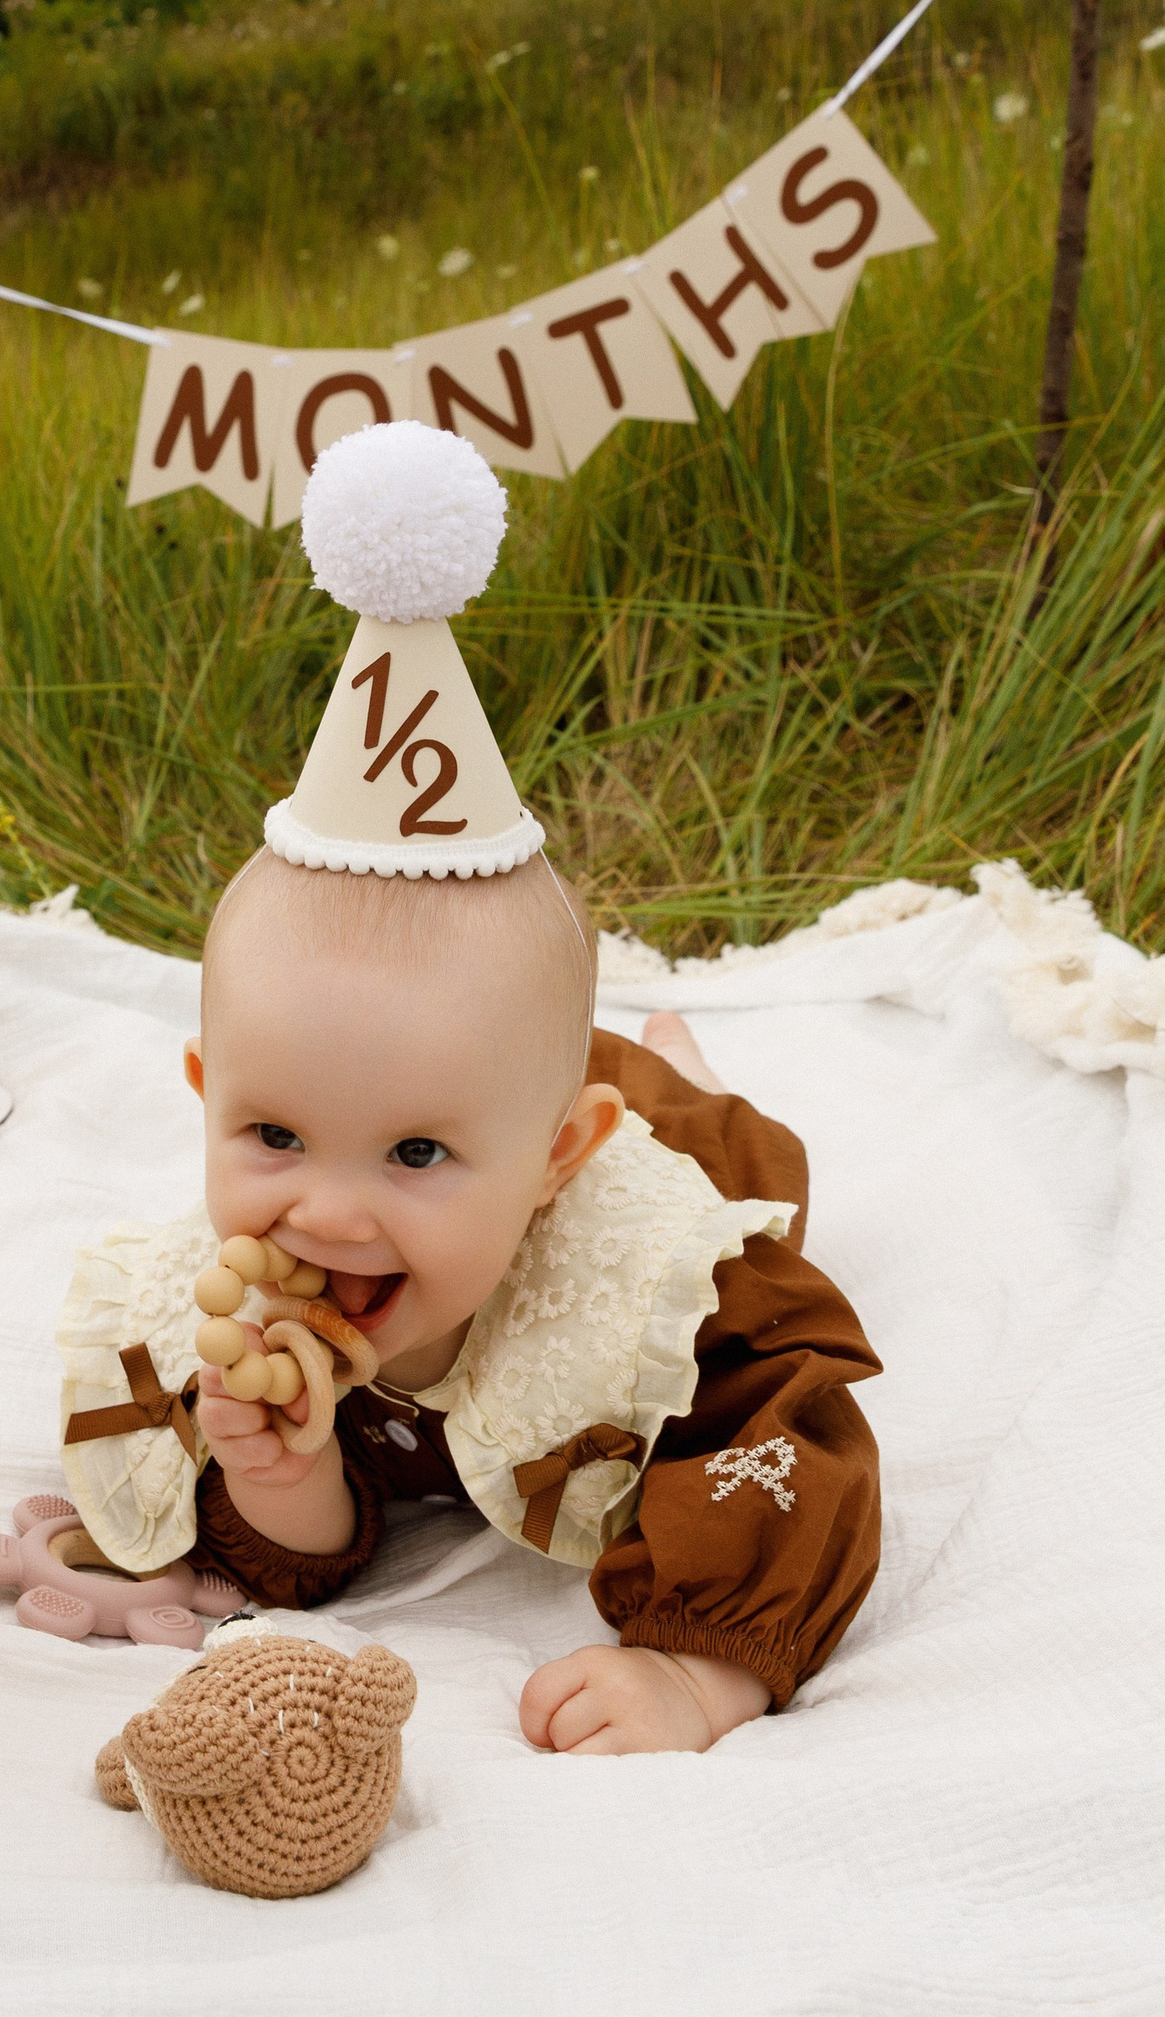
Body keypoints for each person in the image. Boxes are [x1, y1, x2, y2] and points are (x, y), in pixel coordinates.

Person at [54, 419, 881, 1755]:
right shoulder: (229, 1310)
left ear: (560, 1154)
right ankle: (539, 1099)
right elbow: (313, 1558)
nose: (325, 1214)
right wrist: (284, 1474)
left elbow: (787, 1431)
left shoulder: (645, 1270)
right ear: (207, 1096)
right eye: (272, 1133)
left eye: (413, 1156)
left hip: (632, 1136)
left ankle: (674, 1067)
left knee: (752, 1171)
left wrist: (702, 1664)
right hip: (525, 1103)